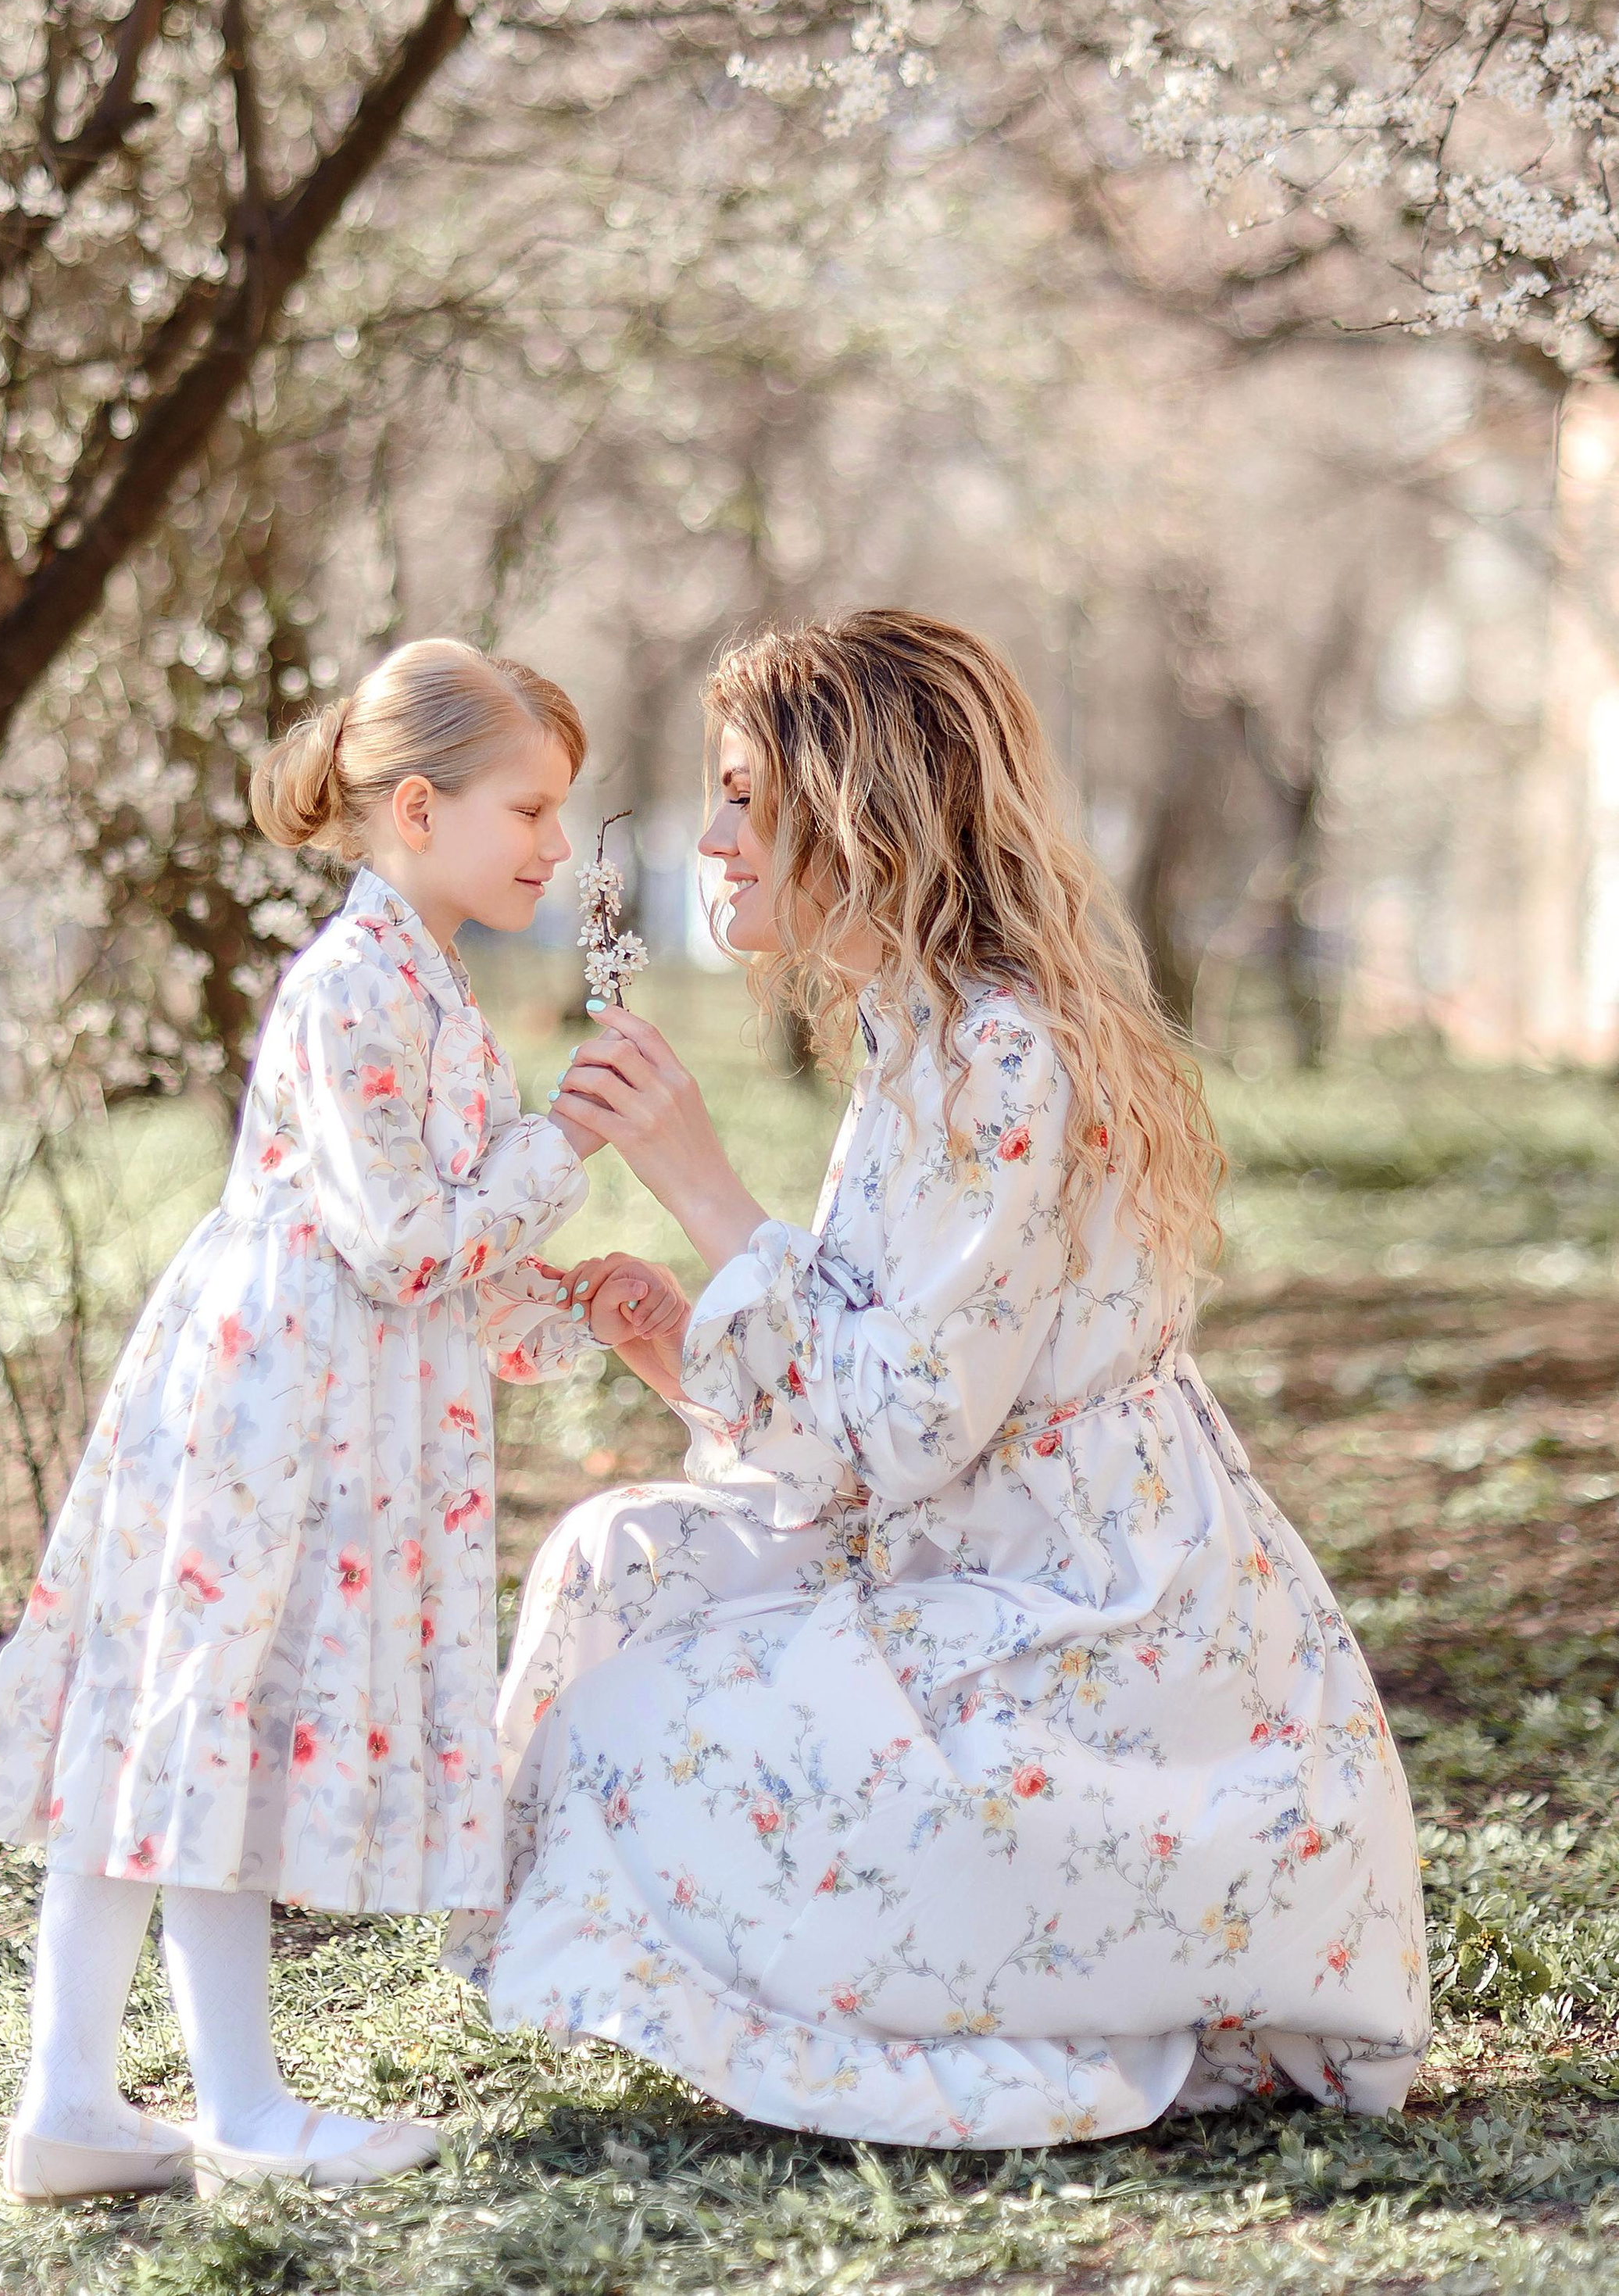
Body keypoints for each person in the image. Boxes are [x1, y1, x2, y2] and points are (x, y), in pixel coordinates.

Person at [451, 610, 1429, 2150]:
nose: (710, 834)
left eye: (739, 793)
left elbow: (908, 1425)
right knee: (611, 1565)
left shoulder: (1006, 1050)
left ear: (854, 810)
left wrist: (703, 1189)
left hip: (1094, 1610)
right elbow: (878, 1386)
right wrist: (676, 1345)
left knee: (650, 1731)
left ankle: (1075, 1961)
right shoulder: (919, 1031)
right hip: (961, 1540)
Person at [0, 638, 680, 2202]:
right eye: (528, 808)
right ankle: (242, 2107)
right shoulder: (354, 983)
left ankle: (72, 2100)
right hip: (269, 1408)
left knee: (184, 1716)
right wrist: (558, 1151)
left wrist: (569, 1303)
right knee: (201, 1718)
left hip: (324, 1389)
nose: (553, 843)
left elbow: (441, 1266)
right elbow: (403, 1236)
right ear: (417, 808)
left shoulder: (424, 980)